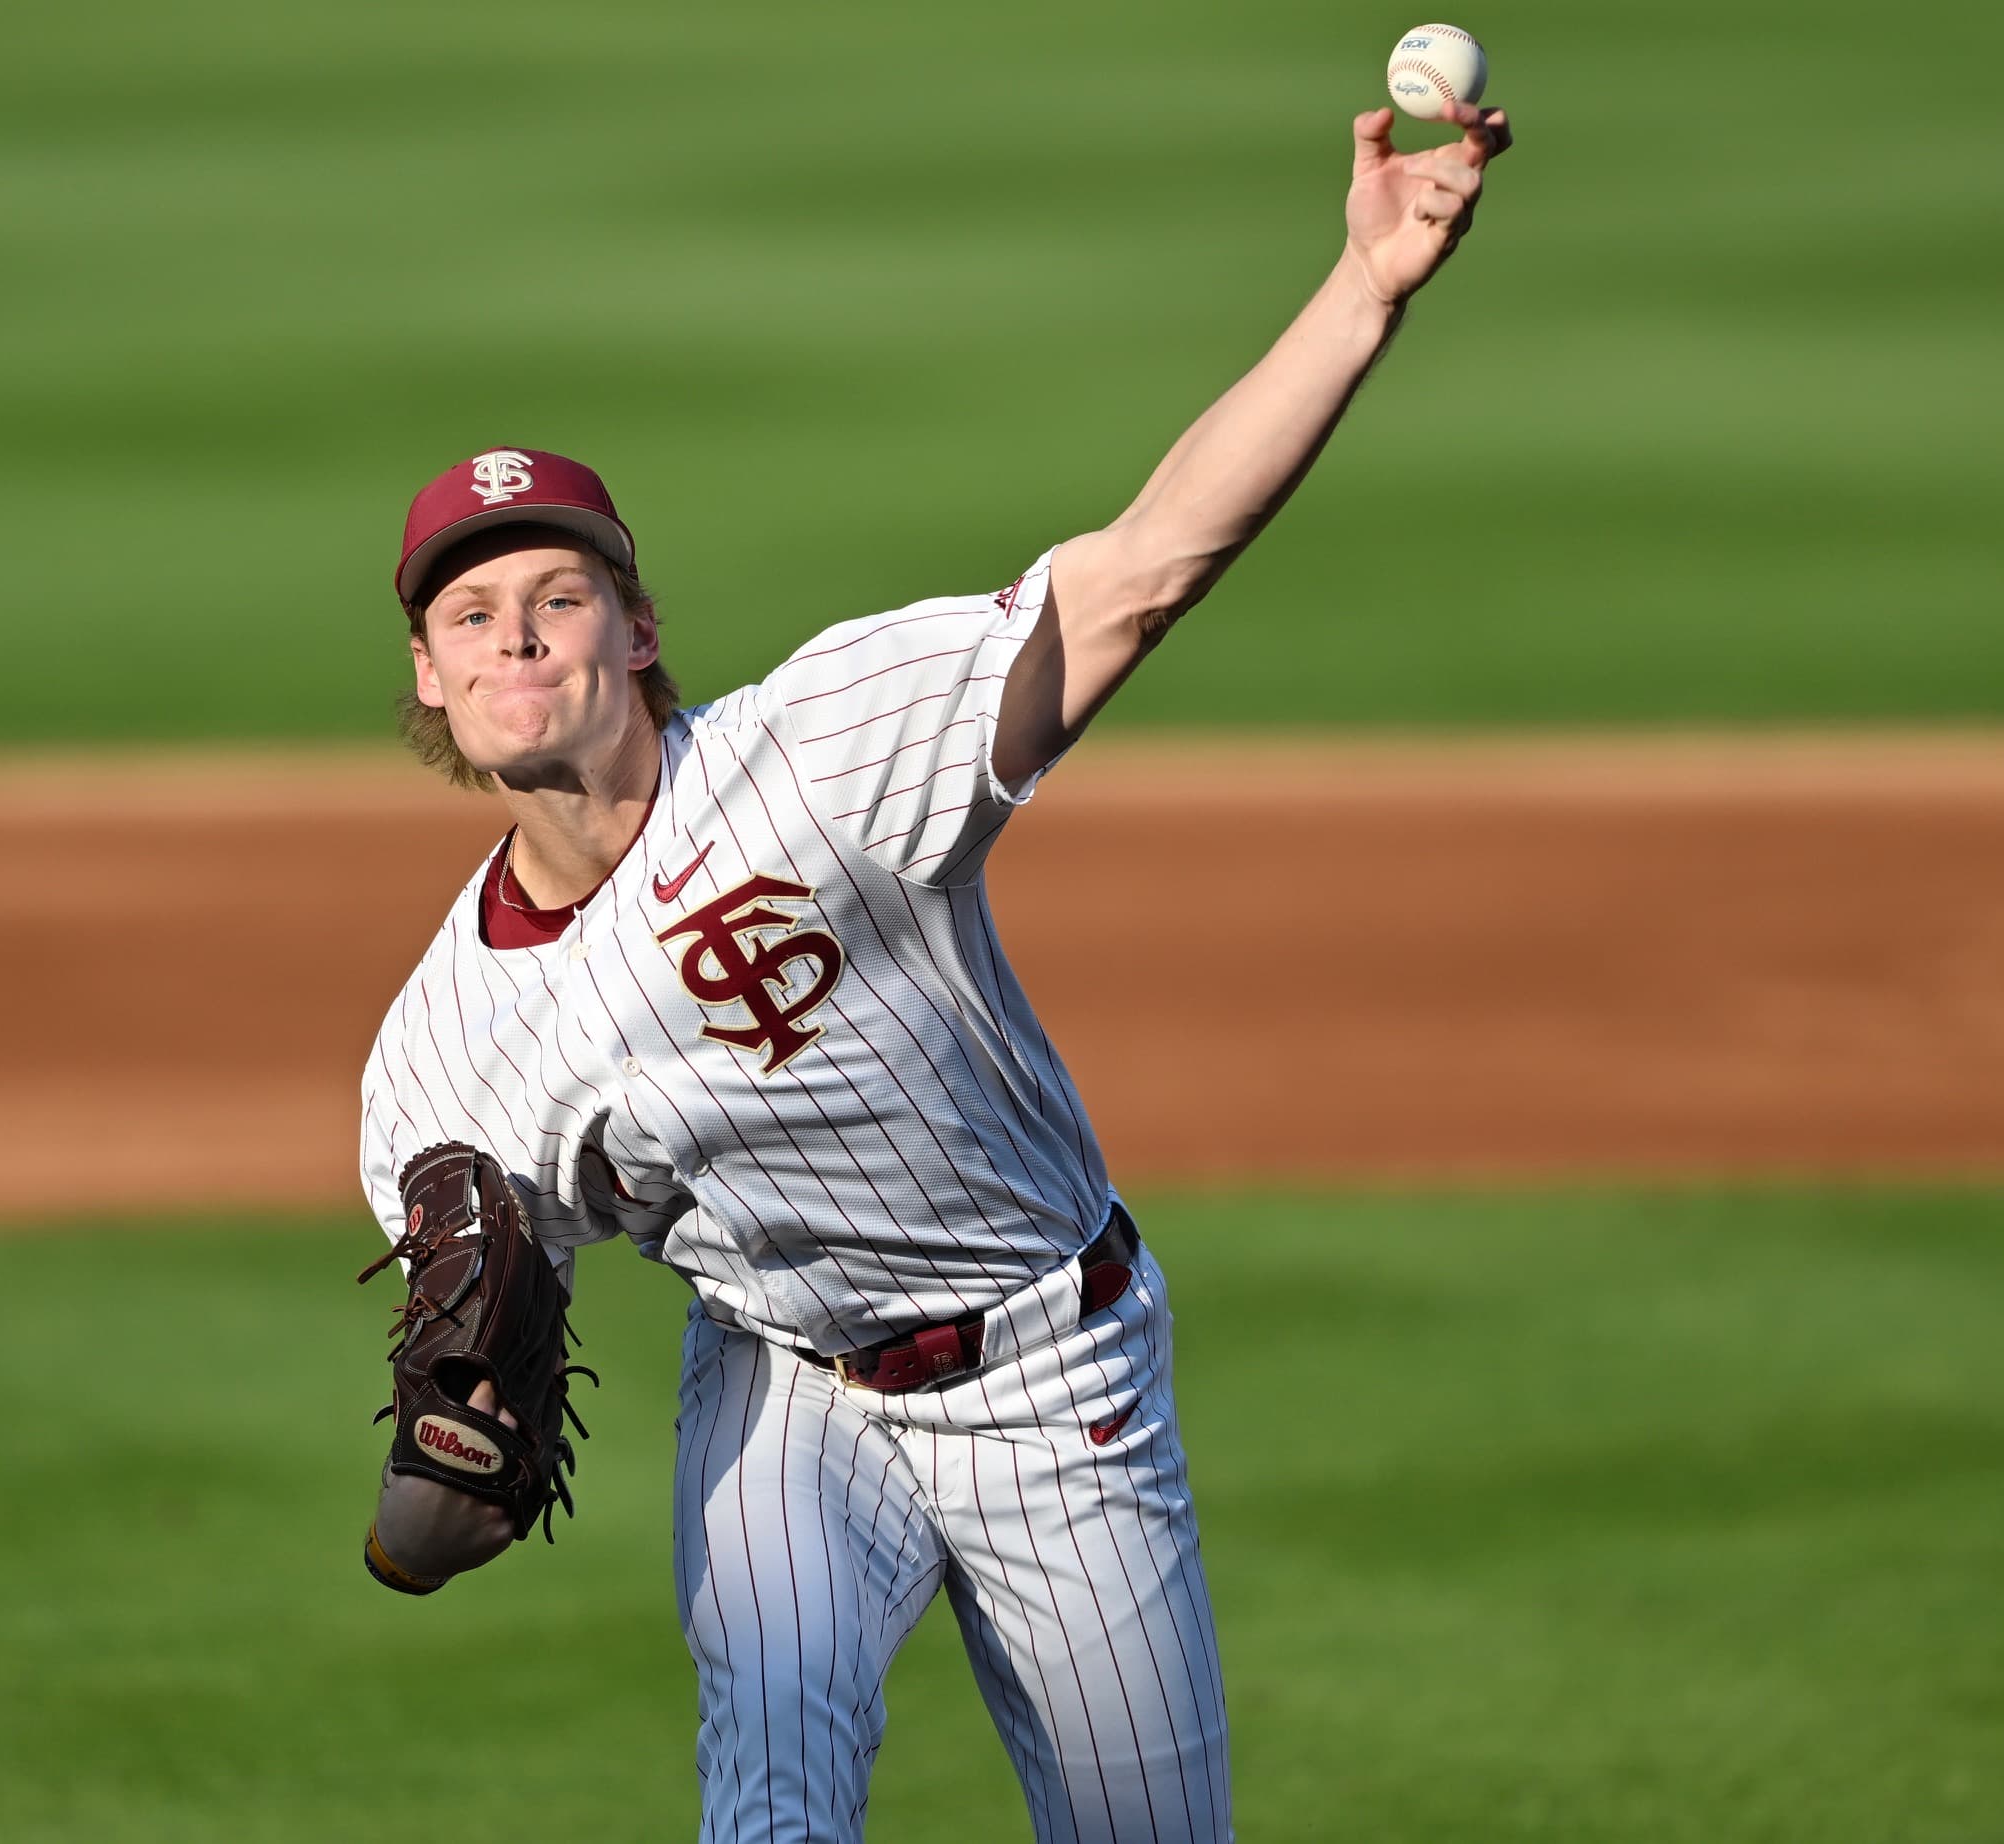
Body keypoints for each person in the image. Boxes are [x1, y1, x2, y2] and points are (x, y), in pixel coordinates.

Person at [358, 102, 1511, 1844]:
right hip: (783, 1400)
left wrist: (1365, 284)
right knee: (769, 1815)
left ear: (640, 629)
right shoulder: (438, 1058)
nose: (515, 628)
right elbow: (436, 1505)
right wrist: (433, 1491)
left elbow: (1134, 581)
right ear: (432, 684)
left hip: (1057, 1373)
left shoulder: (823, 748)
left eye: (559, 592)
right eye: (470, 612)